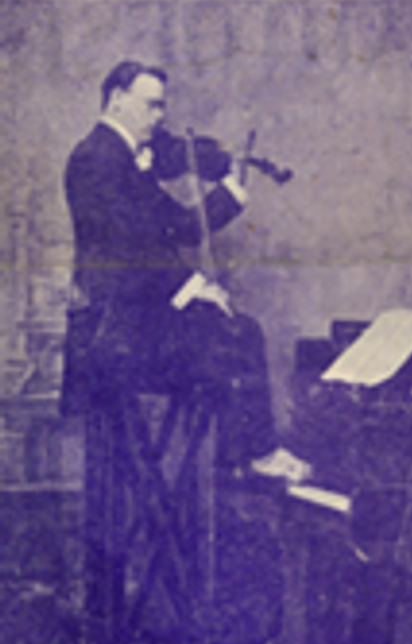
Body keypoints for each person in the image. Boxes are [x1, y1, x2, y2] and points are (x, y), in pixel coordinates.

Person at [61, 59, 310, 483]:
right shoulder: (97, 160)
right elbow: (150, 240)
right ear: (118, 99)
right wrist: (194, 284)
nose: (159, 118)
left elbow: (176, 187)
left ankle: (237, 456)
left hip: (132, 324)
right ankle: (253, 455)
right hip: (113, 337)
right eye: (152, 106)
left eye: (162, 108)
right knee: (240, 334)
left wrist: (223, 170)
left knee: (233, 331)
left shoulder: (122, 153)